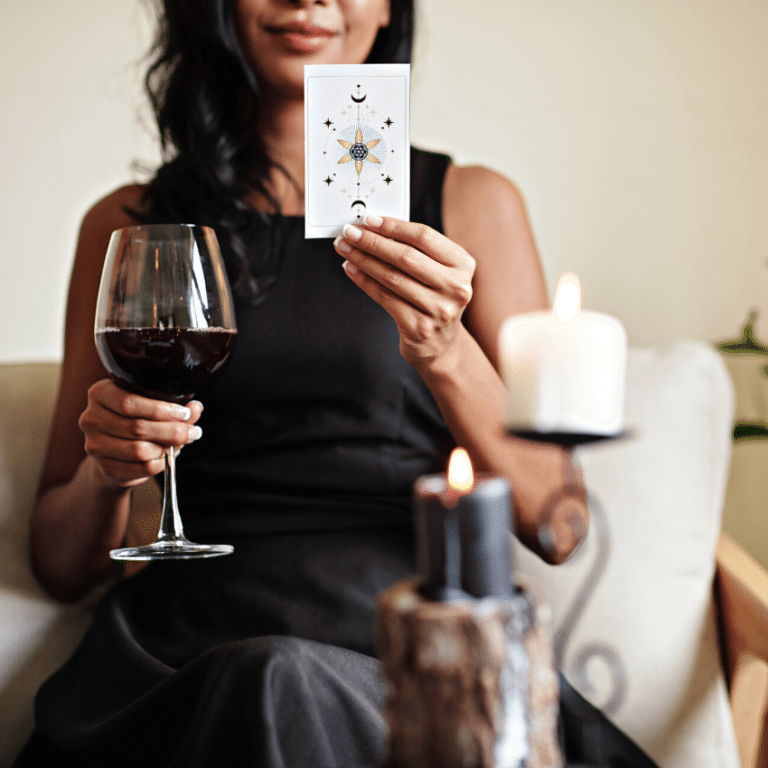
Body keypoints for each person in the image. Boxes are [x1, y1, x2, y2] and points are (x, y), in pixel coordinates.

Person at [15, 1, 657, 766]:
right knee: (264, 677)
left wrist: (446, 347)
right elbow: (58, 567)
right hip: (185, 651)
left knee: (281, 681)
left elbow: (559, 526)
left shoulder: (470, 205)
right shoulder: (129, 224)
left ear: (388, 6)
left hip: (402, 646)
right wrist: (108, 470)